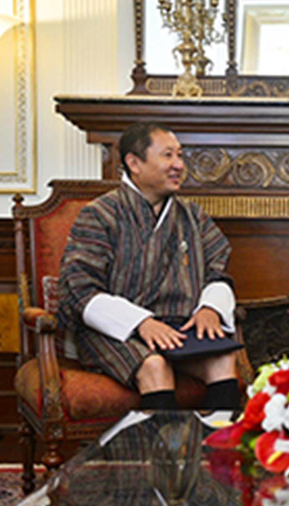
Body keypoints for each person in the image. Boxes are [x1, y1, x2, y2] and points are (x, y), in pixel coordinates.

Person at [58, 121, 241, 410]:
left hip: (180, 327)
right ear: (134, 163)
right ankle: (161, 456)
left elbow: (218, 270)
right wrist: (141, 322)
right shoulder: (99, 215)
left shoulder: (192, 216)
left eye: (180, 155)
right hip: (116, 332)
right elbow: (81, 293)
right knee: (154, 366)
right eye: (167, 155)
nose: (178, 165)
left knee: (222, 359)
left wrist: (211, 308)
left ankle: (216, 452)